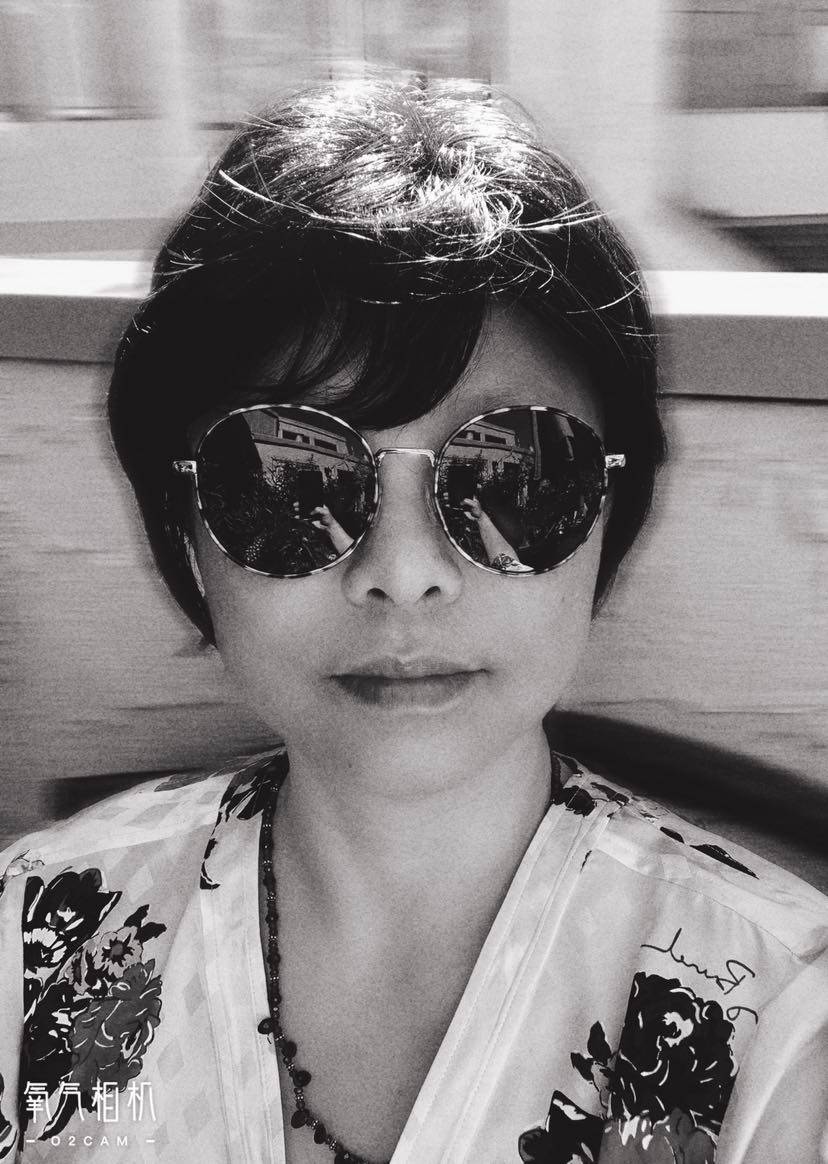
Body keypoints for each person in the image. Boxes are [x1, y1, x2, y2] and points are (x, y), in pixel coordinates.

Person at [0, 75, 825, 1164]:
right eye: (287, 478)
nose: (402, 574)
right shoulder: (37, 938)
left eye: (516, 474)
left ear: (606, 514)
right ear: (185, 524)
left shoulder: (781, 1020)